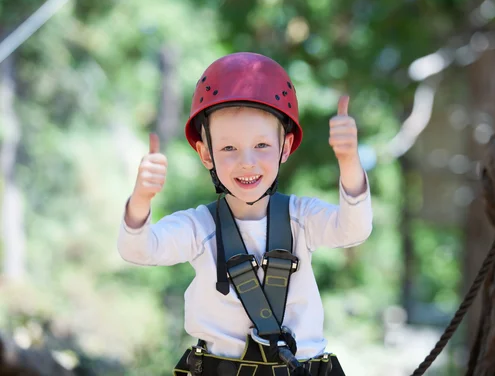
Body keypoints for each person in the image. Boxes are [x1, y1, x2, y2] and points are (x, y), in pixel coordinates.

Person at [117, 52, 373, 376]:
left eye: (262, 145)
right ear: (205, 153)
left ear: (285, 146)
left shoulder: (301, 219)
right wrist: (141, 199)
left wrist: (349, 162)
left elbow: (354, 229)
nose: (247, 162)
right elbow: (138, 249)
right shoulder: (199, 228)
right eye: (228, 148)